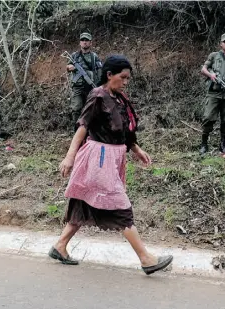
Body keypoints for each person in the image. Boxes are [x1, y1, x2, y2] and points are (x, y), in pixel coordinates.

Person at [50, 55, 173, 275]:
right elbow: (82, 126)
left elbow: (124, 131)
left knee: (83, 202)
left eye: (128, 78)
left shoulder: (118, 98)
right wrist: (69, 156)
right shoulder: (98, 96)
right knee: (120, 207)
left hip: (113, 158)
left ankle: (60, 246)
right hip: (99, 158)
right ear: (109, 75)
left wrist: (136, 150)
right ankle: (146, 259)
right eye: (122, 77)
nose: (126, 82)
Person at [66, 32, 102, 126]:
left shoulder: (94, 56)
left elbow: (99, 71)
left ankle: (90, 130)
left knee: (91, 108)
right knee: (76, 108)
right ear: (80, 43)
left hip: (90, 87)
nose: (84, 42)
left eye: (87, 40)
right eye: (82, 40)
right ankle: (76, 130)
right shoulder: (74, 56)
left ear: (90, 43)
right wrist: (70, 67)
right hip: (77, 87)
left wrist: (99, 85)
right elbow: (68, 66)